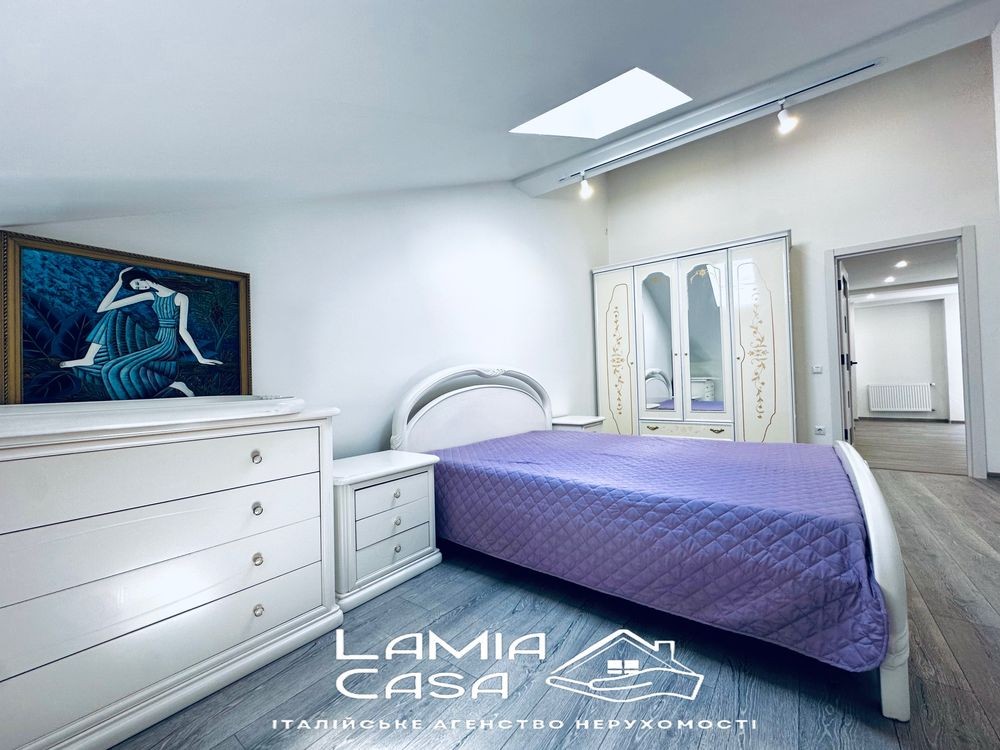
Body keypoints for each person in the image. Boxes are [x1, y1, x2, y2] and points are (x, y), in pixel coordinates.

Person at [60, 266, 222, 398]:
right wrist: (118, 282)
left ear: (143, 277)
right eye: (136, 288)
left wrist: (200, 358)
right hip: (156, 339)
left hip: (167, 343)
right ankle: (89, 358)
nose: (139, 288)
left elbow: (183, 330)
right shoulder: (151, 295)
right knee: (112, 315)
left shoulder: (181, 297)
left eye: (137, 283)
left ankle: (175, 384)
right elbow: (103, 308)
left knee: (118, 367)